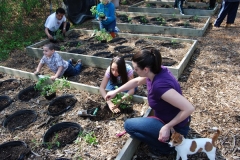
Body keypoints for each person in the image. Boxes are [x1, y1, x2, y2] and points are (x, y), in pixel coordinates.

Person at [105, 49, 195, 156]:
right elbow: (137, 81)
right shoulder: (156, 71)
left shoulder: (159, 86)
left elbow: (189, 108)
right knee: (136, 125)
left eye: (136, 69)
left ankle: (166, 148)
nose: (134, 71)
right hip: (166, 119)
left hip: (176, 128)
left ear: (146, 69)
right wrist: (116, 91)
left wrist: (167, 127)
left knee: (128, 125)